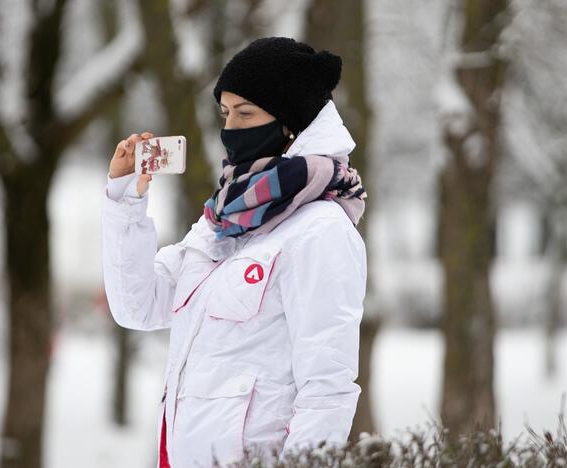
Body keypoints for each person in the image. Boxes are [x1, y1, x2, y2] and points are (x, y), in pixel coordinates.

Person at [101, 37, 368, 467]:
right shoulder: (223, 220)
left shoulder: (320, 231)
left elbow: (327, 388)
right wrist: (124, 198)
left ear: (290, 122)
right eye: (225, 113)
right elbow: (138, 306)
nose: (230, 128)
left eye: (246, 113)